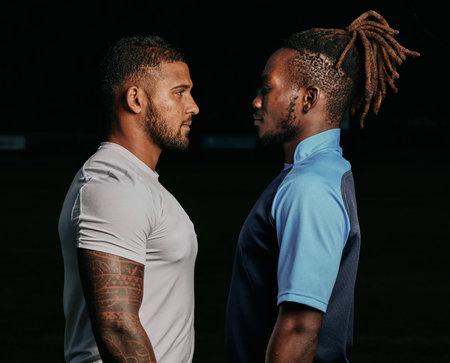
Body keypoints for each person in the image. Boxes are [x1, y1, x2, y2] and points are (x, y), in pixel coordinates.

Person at [225, 10, 419, 363]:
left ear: (309, 98)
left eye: (267, 89)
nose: (256, 101)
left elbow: (300, 330)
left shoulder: (309, 187)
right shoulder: (325, 170)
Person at [58, 35, 199, 363]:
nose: (193, 106)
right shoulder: (113, 186)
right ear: (136, 99)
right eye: (179, 92)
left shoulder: (138, 183)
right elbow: (117, 327)